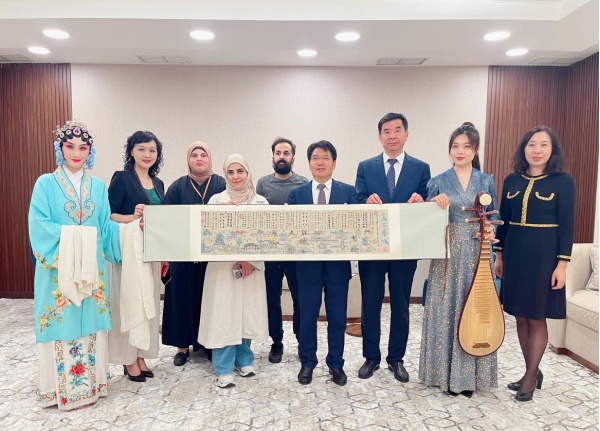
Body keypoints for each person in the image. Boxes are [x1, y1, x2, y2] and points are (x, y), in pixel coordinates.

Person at [29, 121, 121, 410]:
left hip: (92, 270)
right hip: (57, 270)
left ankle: (92, 386)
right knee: (61, 320)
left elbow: (105, 228)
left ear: (90, 151)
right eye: (70, 146)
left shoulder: (99, 186)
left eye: (83, 147)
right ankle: (58, 391)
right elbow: (39, 225)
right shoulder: (45, 183)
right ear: (60, 148)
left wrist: (134, 230)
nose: (77, 153)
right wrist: (76, 240)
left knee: (91, 320)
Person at [494, 126, 575, 402]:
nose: (537, 150)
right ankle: (532, 370)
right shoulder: (512, 180)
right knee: (520, 315)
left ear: (553, 150)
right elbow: (503, 221)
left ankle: (530, 376)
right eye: (531, 144)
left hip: (544, 257)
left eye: (543, 145)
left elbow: (567, 226)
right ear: (524, 149)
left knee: (536, 316)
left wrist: (562, 265)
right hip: (515, 255)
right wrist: (500, 256)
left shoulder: (563, 181)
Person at [418, 122, 499, 397]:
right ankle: (443, 374)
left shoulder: (486, 180)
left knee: (475, 310)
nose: (460, 151)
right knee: (446, 308)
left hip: (477, 252)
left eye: (467, 146)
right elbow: (425, 220)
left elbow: (495, 215)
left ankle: (470, 378)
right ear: (449, 149)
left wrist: (491, 229)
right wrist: (433, 203)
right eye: (455, 146)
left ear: (476, 150)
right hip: (448, 253)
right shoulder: (438, 181)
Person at [355, 112, 431, 382]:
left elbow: (428, 201)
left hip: (405, 247)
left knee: (401, 304)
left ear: (406, 134)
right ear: (379, 137)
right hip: (373, 248)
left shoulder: (421, 168)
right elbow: (358, 198)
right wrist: (366, 201)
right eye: (386, 131)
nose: (392, 136)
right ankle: (371, 357)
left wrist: (421, 199)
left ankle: (396, 359)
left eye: (397, 130)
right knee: (370, 304)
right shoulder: (366, 167)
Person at [288, 141, 359, 385]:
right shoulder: (296, 195)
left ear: (334, 163)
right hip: (307, 267)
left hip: (338, 268)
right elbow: (292, 234)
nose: (320, 162)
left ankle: (336, 364)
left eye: (326, 157)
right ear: (308, 163)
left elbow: (357, 230)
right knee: (307, 318)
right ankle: (307, 362)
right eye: (315, 158)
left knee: (337, 319)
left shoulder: (349, 192)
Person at [198, 154, 269, 388]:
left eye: (240, 171)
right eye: (231, 172)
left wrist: (250, 261)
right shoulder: (216, 201)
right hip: (222, 270)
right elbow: (205, 236)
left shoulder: (260, 202)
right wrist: (220, 215)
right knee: (224, 315)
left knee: (246, 313)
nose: (236, 176)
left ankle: (244, 359)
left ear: (248, 173)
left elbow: (267, 238)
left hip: (250, 270)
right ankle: (223, 367)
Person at [161, 142, 226, 366]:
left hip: (212, 257)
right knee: (180, 298)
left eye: (203, 155)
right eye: (194, 155)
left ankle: (210, 344)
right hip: (183, 255)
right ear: (188, 159)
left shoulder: (221, 184)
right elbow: (166, 221)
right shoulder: (178, 186)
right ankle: (182, 346)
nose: (199, 159)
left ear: (210, 159)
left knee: (210, 299)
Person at [107, 130, 165, 382]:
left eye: (152, 150)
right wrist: (133, 217)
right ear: (131, 151)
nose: (147, 154)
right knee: (128, 302)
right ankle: (127, 359)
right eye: (141, 149)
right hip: (128, 252)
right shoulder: (121, 178)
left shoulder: (159, 183)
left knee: (147, 303)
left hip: (150, 253)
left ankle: (141, 355)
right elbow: (108, 215)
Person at [256, 137, 308, 363]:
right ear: (273, 157)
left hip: (296, 253)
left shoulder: (303, 183)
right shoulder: (263, 184)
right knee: (271, 299)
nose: (282, 157)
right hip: (270, 253)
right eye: (278, 153)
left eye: (286, 153)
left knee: (300, 299)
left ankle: (301, 340)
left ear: (293, 158)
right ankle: (276, 342)